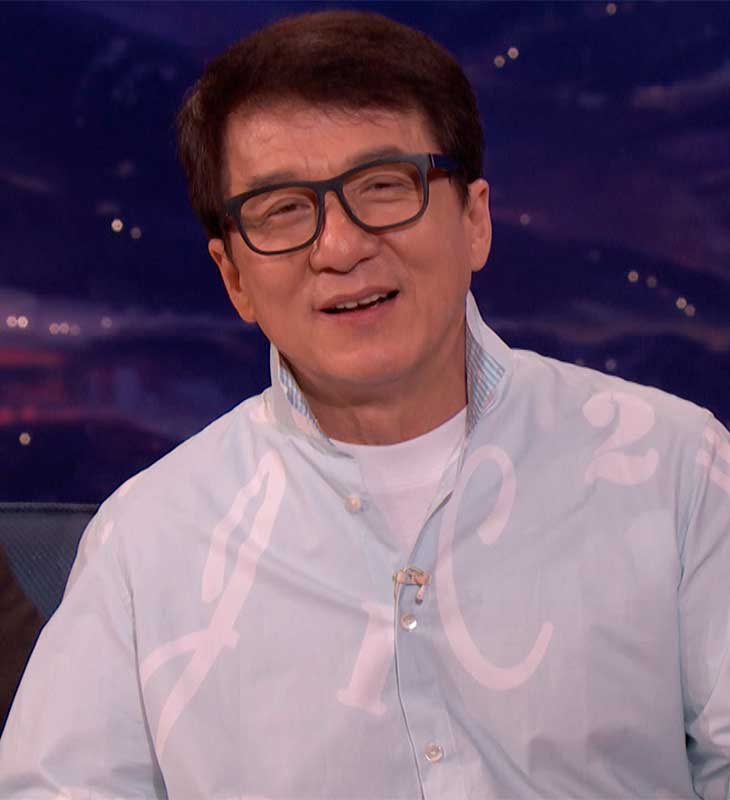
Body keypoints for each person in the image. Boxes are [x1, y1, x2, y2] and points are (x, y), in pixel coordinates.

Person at [1, 10, 728, 799]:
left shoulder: (677, 471)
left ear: (475, 219)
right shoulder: (147, 544)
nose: (341, 247)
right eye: (282, 209)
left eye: (383, 187)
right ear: (234, 277)